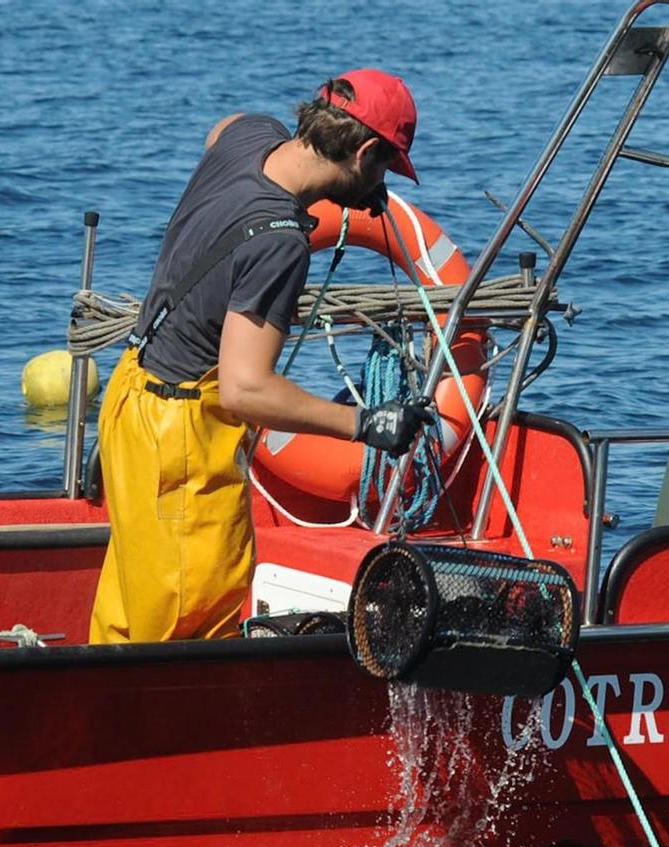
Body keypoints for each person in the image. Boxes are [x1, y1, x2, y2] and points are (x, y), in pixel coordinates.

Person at [89, 69, 433, 644]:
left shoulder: (251, 136)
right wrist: (366, 422)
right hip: (182, 443)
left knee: (130, 607)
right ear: (365, 150)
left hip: (131, 399)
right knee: (186, 629)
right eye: (383, 169)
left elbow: (219, 128)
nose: (382, 185)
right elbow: (245, 389)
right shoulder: (279, 242)